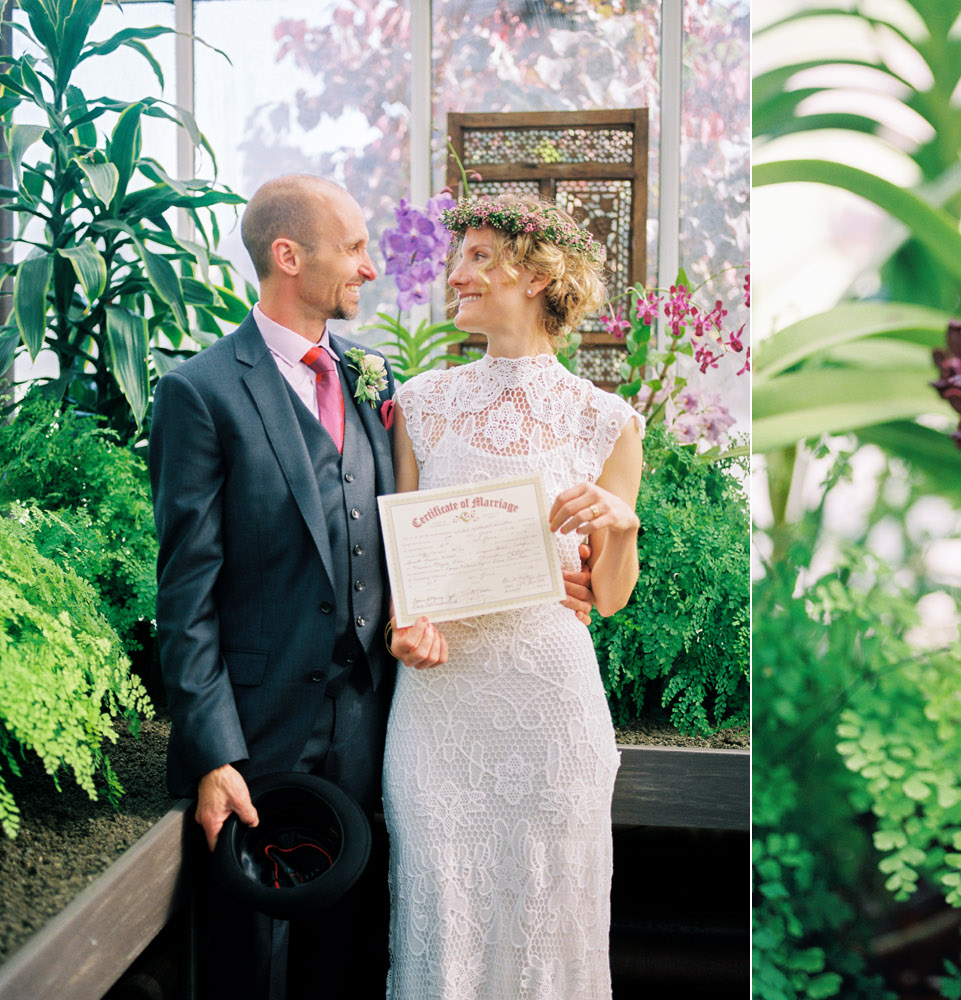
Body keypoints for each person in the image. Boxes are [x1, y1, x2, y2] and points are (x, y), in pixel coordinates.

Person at [148, 175, 589, 999]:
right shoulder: (199, 394)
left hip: (370, 730)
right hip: (256, 739)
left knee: (343, 967)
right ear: (289, 256)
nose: (372, 268)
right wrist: (214, 756)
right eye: (353, 248)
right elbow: (186, 595)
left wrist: (539, 568)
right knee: (248, 972)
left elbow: (417, 529)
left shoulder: (377, 383)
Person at [383, 195, 643, 999]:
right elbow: (401, 563)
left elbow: (608, 596)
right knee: (438, 905)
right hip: (440, 707)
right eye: (459, 259)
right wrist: (405, 626)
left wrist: (621, 528)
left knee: (547, 929)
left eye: (480, 258)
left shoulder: (608, 420)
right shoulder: (419, 404)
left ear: (536, 275)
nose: (455, 274)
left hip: (551, 711)